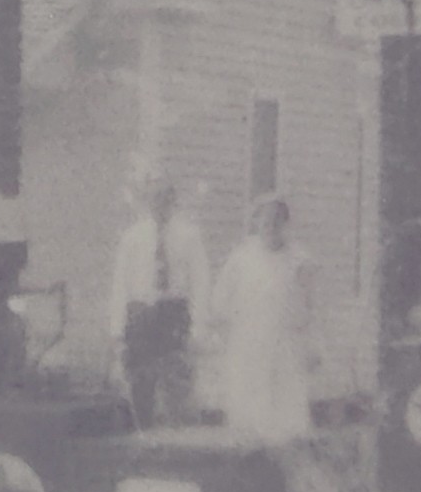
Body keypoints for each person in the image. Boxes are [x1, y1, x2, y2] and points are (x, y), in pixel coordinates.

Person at [211, 193, 319, 443]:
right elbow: (220, 302)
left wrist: (312, 347)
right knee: (249, 419)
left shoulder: (300, 261)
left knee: (286, 423)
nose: (271, 227)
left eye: (277, 221)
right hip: (249, 348)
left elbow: (312, 309)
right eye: (266, 221)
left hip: (287, 350)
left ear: (286, 224)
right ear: (256, 222)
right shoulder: (240, 259)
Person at [110, 176, 211, 426]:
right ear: (147, 201)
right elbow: (120, 284)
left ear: (173, 201)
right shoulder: (132, 237)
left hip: (173, 312)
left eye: (166, 198)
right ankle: (142, 434)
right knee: (140, 383)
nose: (160, 204)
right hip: (141, 314)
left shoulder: (189, 235)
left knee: (176, 381)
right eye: (154, 197)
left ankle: (178, 442)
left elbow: (200, 283)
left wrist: (198, 327)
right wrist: (117, 329)